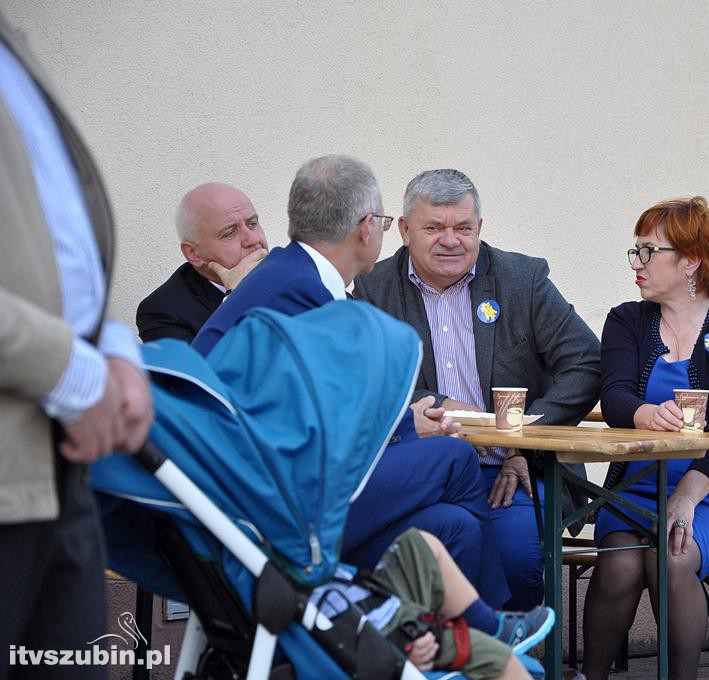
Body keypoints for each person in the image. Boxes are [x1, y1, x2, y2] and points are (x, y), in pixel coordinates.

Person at [193, 155, 512, 607]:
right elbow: (323, 418)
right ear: (366, 228)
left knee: (452, 525)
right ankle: (493, 630)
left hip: (258, 491)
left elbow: (308, 403)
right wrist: (405, 426)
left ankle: (445, 647)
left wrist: (401, 418)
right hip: (271, 507)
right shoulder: (302, 292)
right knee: (456, 456)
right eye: (383, 222)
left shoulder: (287, 275)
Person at [353, 168, 602, 609]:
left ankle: (501, 660)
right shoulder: (373, 290)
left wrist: (523, 438)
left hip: (517, 471)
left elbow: (586, 362)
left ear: (480, 229)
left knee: (516, 560)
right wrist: (438, 405)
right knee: (423, 560)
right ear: (406, 231)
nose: (451, 240)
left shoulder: (521, 279)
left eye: (463, 228)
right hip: (429, 473)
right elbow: (366, 384)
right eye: (434, 228)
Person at [0, 12, 153, 678]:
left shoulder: (12, 43)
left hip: (57, 468)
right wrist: (72, 369)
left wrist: (111, 344)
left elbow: (49, 237)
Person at [581, 197, 709, 680]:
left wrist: (688, 495)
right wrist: (645, 412)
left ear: (691, 261)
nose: (637, 264)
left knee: (672, 553)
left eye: (649, 251)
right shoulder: (628, 319)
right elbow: (616, 395)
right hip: (636, 488)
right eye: (636, 251)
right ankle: (590, 676)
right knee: (621, 562)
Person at [317, 528, 554, 680]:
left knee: (419, 542)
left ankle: (491, 627)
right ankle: (491, 634)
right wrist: (388, 655)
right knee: (502, 661)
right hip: (373, 634)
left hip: (351, 591)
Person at [136, 183, 269, 342]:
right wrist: (233, 298)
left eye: (252, 224)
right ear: (193, 254)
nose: (253, 239)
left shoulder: (293, 274)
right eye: (230, 233)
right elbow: (208, 365)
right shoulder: (161, 312)